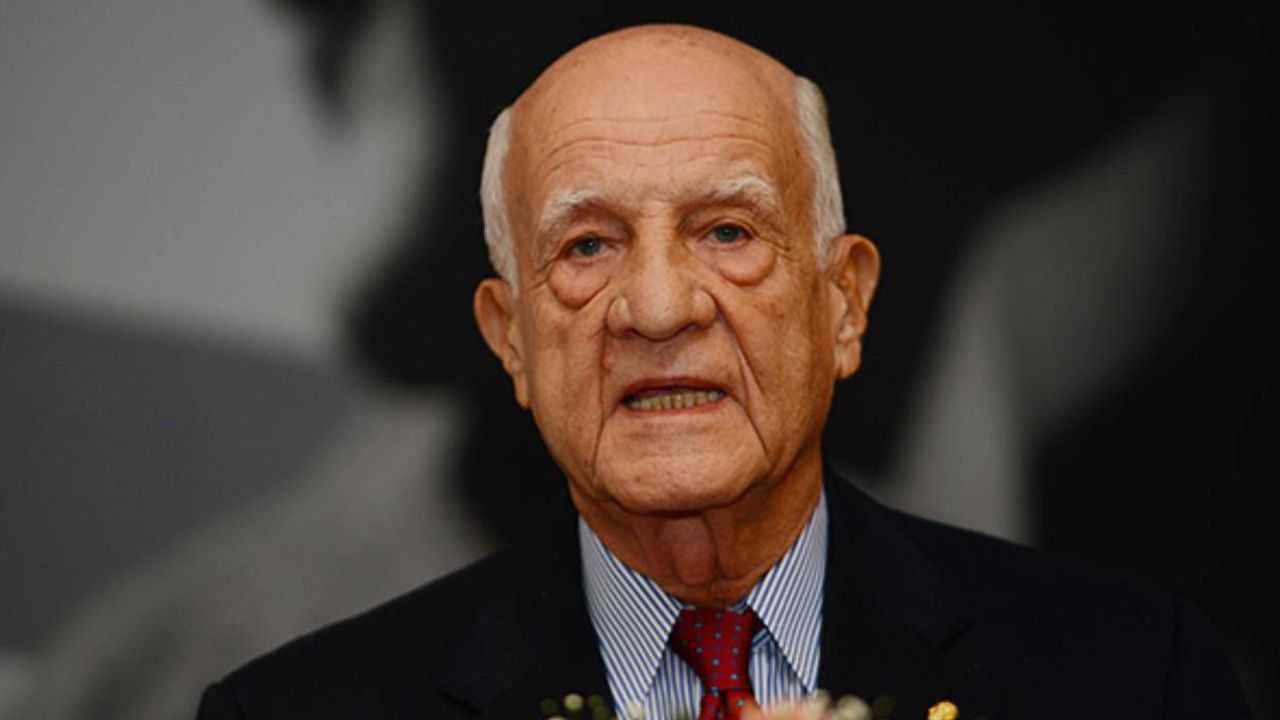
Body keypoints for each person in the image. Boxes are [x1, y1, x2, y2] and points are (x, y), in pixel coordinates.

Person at [195, 24, 1251, 720]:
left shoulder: (1128, 673)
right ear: (510, 338)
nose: (658, 309)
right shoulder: (297, 709)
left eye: (728, 232)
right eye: (587, 246)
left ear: (844, 303)